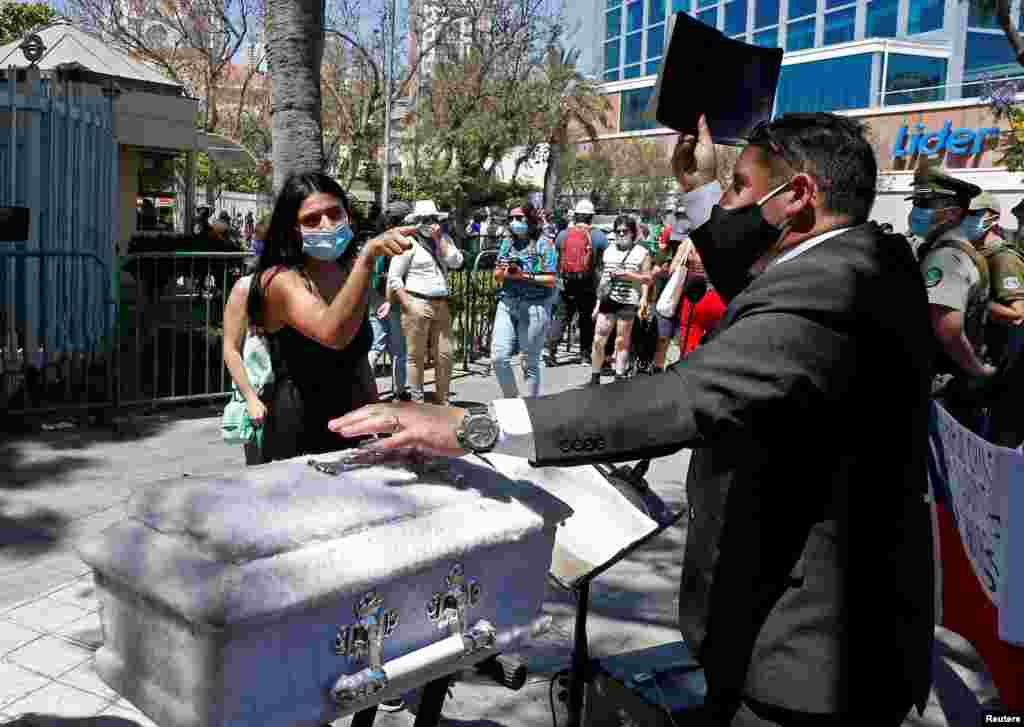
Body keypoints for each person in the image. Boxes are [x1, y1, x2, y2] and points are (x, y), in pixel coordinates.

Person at [332, 112, 937, 727]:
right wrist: (702, 190)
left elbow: (683, 398)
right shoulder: (868, 258)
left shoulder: (832, 287)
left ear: (800, 196)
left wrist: (470, 426)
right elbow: (760, 281)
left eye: (739, 187)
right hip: (819, 628)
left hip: (811, 652)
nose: (728, 208)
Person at [245, 172, 409, 462]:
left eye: (335, 213)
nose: (327, 225)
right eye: (311, 219)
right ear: (293, 228)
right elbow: (333, 334)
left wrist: (384, 426)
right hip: (299, 429)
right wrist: (367, 258)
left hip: (355, 422)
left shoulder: (346, 273)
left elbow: (357, 359)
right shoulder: (280, 280)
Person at [912, 166, 995, 432]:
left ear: (953, 213)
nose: (917, 210)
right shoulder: (943, 249)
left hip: (944, 388)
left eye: (925, 203)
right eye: (916, 202)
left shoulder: (947, 258)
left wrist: (977, 371)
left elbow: (947, 329)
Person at [388, 200, 464, 405]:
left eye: (431, 219)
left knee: (445, 355)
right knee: (415, 357)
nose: (428, 223)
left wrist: (440, 239)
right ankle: (418, 402)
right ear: (416, 221)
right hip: (417, 303)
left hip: (441, 304)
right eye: (423, 219)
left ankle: (443, 400)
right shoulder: (408, 242)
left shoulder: (444, 239)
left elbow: (456, 262)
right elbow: (395, 277)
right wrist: (407, 304)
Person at [973, 193, 1024, 447]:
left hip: (1002, 364)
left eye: (974, 214)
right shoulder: (974, 253)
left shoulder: (1003, 258)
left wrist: (974, 302)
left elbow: (1018, 314)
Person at [491, 207, 559, 397]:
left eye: (519, 217)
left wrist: (524, 276)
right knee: (499, 358)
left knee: (530, 362)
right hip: (507, 303)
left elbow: (552, 278)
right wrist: (504, 272)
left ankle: (530, 410)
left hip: (535, 306)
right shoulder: (507, 243)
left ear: (529, 219)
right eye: (511, 218)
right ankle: (513, 402)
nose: (514, 221)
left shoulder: (544, 244)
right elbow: (497, 274)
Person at [588, 216, 653, 385]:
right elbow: (603, 279)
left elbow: (648, 279)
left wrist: (630, 277)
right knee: (598, 340)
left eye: (625, 231)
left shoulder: (642, 253)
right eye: (618, 231)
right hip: (607, 300)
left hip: (628, 301)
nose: (621, 234)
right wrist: (597, 303)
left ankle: (618, 378)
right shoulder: (609, 250)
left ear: (633, 233)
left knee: (621, 342)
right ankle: (595, 378)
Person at [222, 273, 270, 465]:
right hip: (260, 393)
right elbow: (230, 348)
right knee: (261, 473)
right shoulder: (246, 287)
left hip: (295, 394)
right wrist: (250, 398)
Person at [554, 199, 609, 365]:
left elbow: (557, 254)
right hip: (588, 284)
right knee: (586, 319)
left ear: (576, 215)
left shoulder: (563, 234)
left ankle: (550, 351)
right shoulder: (599, 235)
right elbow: (605, 259)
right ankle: (585, 355)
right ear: (591, 217)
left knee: (562, 317)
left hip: (566, 283)